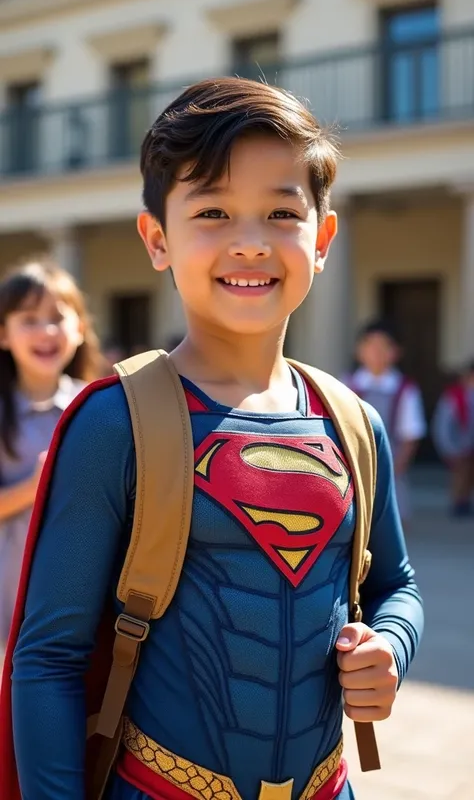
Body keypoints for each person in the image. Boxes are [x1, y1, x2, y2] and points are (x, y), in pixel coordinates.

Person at [7, 78, 423, 800]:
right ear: (158, 239)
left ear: (322, 238)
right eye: (213, 211)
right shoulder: (115, 425)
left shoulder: (355, 423)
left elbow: (397, 586)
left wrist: (390, 646)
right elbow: (48, 660)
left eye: (281, 213)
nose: (251, 242)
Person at [0, 259, 101, 646]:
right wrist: (33, 487)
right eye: (28, 319)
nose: (45, 331)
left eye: (57, 317)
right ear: (4, 334)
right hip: (9, 599)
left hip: (78, 597)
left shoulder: (101, 407)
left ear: (79, 328)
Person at [343, 320, 426, 525]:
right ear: (360, 351)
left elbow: (410, 434)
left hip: (391, 467)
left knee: (391, 525)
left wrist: (395, 469)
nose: (376, 352)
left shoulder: (405, 389)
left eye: (384, 347)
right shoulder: (345, 386)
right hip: (350, 465)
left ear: (396, 352)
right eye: (371, 346)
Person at [432, 360, 474, 516]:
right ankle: (458, 502)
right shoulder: (454, 396)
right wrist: (449, 447)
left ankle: (466, 500)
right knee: (460, 473)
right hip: (460, 444)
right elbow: (443, 424)